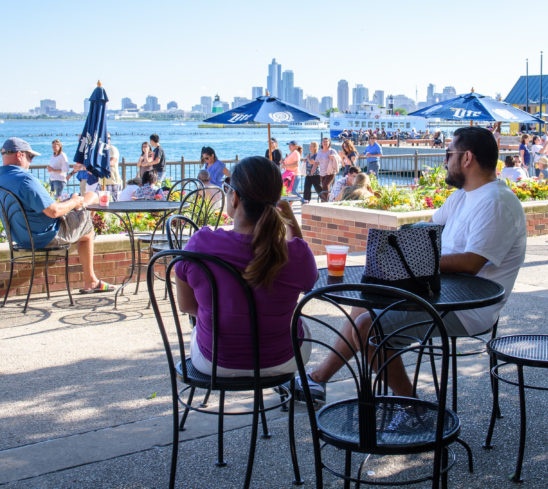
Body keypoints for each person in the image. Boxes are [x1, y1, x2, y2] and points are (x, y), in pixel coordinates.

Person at [297, 127, 527, 402]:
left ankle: (413, 409)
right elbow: (429, 226)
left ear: (467, 158)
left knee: (367, 327)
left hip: (467, 308)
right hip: (440, 290)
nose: (445, 160)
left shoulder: (496, 203)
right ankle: (316, 380)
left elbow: (471, 263)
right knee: (365, 300)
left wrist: (411, 264)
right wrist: (395, 242)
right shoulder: (465, 195)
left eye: (448, 153)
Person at [174, 156, 317, 377]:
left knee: (199, 328)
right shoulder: (297, 254)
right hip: (284, 360)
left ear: (235, 198)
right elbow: (308, 281)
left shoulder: (201, 244)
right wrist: (291, 223)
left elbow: (187, 306)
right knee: (301, 325)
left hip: (215, 361)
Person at [0, 138, 111, 294]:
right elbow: (53, 211)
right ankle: (91, 281)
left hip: (21, 238)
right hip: (45, 236)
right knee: (91, 201)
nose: (31, 161)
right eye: (30, 157)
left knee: (82, 210)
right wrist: (74, 201)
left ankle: (79, 231)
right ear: (20, 155)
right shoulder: (25, 179)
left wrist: (70, 202)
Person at [100, 133, 123, 201]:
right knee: (102, 204)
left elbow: (111, 163)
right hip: (101, 182)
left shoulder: (113, 149)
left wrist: (98, 165)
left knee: (115, 205)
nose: (108, 140)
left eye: (109, 138)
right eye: (106, 138)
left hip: (112, 181)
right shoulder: (99, 150)